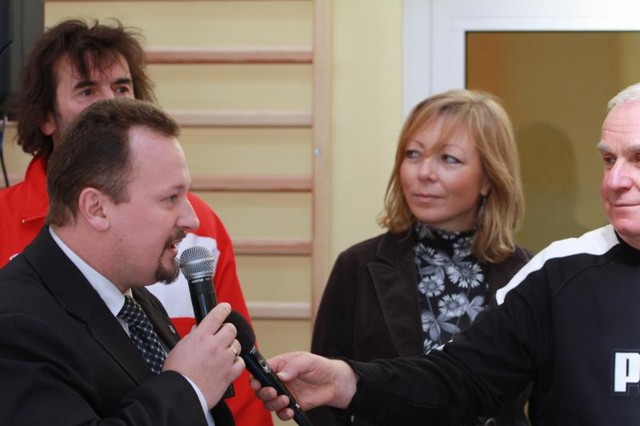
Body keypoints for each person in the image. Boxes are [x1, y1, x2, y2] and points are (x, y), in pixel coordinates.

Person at [252, 81, 640, 425]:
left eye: (638, 158)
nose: (616, 180)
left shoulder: (523, 267)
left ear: (489, 177)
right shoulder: (558, 274)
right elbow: (459, 377)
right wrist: (345, 380)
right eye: (608, 160)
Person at [0, 19, 272, 425]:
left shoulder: (134, 297)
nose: (191, 218)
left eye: (121, 87)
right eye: (169, 198)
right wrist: (187, 387)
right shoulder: (15, 325)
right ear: (96, 209)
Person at [310, 89, 531, 425]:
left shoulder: (529, 274)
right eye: (413, 154)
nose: (424, 172)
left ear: (489, 178)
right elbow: (321, 398)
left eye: (449, 159)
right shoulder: (357, 266)